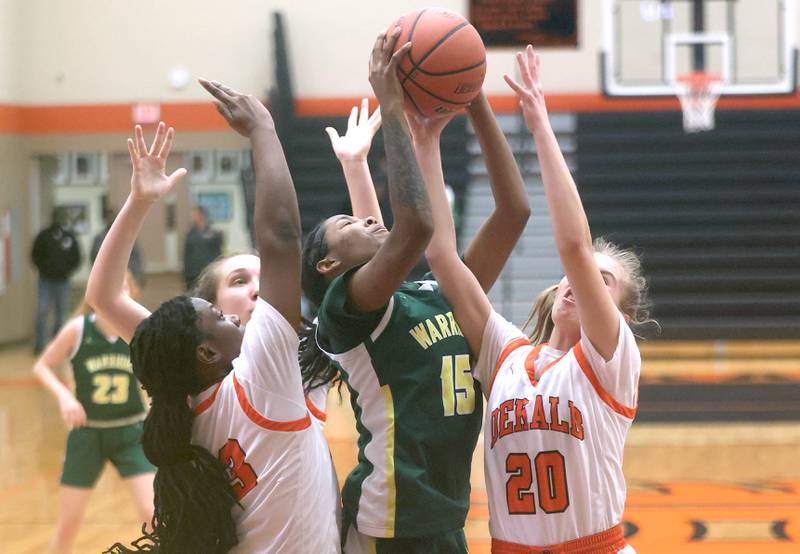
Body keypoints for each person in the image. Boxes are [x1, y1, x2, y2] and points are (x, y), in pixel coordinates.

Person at [300, 33, 530, 554]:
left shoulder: (434, 293)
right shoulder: (346, 312)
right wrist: (393, 109)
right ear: (329, 264)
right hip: (391, 523)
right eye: (347, 224)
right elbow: (414, 228)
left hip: (445, 516)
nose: (363, 219)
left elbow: (514, 212)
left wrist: (475, 100)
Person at [418, 45, 651, 553]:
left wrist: (539, 122)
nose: (577, 281)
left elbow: (573, 246)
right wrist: (426, 139)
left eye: (599, 280)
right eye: (574, 277)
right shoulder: (505, 353)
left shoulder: (609, 361)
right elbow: (440, 253)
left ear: (621, 316)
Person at [89, 86, 338, 552]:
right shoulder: (259, 374)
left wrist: (141, 201)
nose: (258, 290)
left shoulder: (193, 395)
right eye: (239, 282)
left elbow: (102, 295)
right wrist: (263, 130)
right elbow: (282, 236)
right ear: (208, 331)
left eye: (264, 279)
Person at [32, 271, 154, 554]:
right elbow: (42, 366)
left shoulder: (139, 330)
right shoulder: (77, 329)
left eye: (121, 288)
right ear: (94, 293)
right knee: (69, 523)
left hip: (131, 431)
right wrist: (65, 397)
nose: (114, 294)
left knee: (152, 515)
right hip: (88, 433)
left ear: (130, 294)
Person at [31, 206, 82, 353]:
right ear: (53, 217)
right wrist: (45, 269)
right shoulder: (43, 236)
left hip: (63, 281)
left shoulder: (69, 236)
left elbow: (77, 257)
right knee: (41, 312)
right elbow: (35, 256)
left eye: (62, 216)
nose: (60, 219)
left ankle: (58, 345)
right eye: (58, 216)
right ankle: (40, 344)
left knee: (62, 314)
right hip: (45, 281)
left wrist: (67, 270)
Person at [91, 207, 145, 286]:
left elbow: (137, 257)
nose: (111, 219)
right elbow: (94, 258)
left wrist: (138, 274)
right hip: (107, 278)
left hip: (127, 277)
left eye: (114, 217)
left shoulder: (129, 235)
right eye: (109, 217)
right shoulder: (99, 238)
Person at [183, 204, 223, 290]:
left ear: (202, 215)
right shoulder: (190, 234)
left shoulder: (214, 233)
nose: (193, 217)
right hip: (193, 273)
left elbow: (218, 253)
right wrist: (185, 273)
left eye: (195, 214)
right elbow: (187, 254)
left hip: (209, 271)